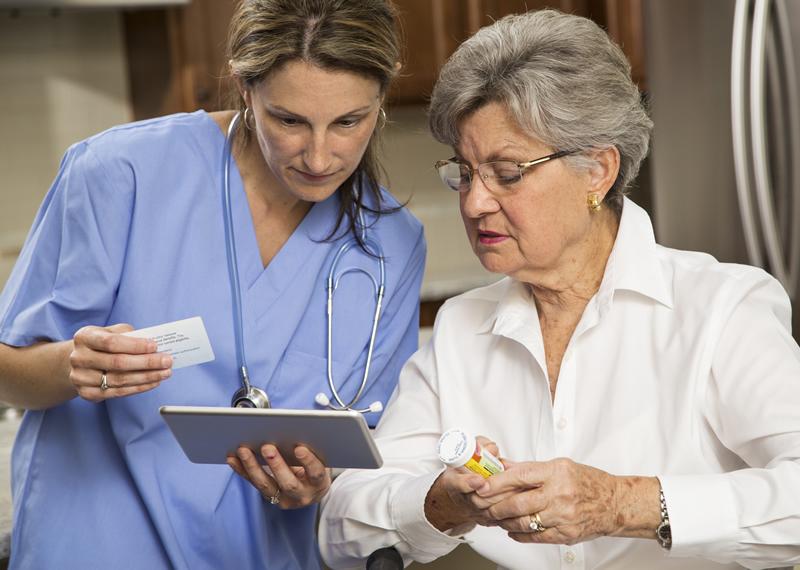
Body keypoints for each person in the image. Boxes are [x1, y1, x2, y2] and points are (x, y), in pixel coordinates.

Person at [319, 9, 800, 570]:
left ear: (596, 171)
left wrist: (626, 504)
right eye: (466, 172)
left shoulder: (722, 310)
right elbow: (342, 522)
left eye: (507, 172)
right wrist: (440, 504)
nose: (474, 203)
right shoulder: (461, 329)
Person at [0, 0, 425, 568]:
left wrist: (324, 483)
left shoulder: (392, 244)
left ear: (382, 98)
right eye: (289, 120)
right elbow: (9, 374)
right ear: (245, 88)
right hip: (96, 538)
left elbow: (373, 450)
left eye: (349, 121)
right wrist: (70, 366)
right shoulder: (118, 174)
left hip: (263, 549)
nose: (321, 156)